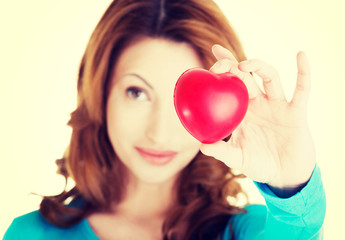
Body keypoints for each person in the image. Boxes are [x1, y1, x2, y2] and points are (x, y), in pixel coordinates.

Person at [3, 0, 326, 239]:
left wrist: (291, 185)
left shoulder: (245, 231)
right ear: (100, 93)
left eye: (182, 98)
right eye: (136, 92)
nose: (159, 133)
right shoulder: (30, 234)